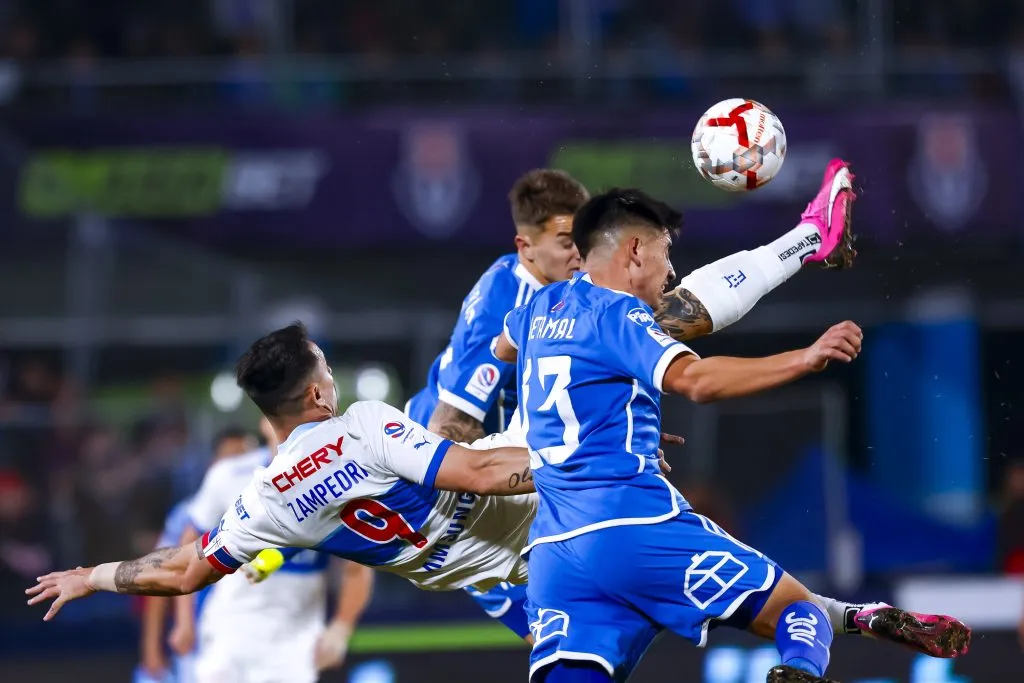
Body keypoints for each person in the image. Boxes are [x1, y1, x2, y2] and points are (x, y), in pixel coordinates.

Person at [30, 322, 967, 673]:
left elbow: (185, 569)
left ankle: (846, 616)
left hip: (504, 590)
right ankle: (839, 619)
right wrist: (595, 456)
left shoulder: (265, 499)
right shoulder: (359, 424)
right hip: (550, 524)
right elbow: (478, 470)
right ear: (317, 392)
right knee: (641, 332)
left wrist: (96, 573)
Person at [492, 174, 968, 683]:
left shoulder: (535, 311)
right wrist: (803, 357)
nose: (671, 271)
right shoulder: (621, 313)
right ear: (633, 250)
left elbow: (504, 351)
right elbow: (694, 380)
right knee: (797, 614)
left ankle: (861, 616)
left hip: (555, 556)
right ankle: (801, 671)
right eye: (664, 251)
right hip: (634, 526)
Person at [405, 161, 855, 637]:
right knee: (580, 630)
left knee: (653, 320)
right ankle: (831, 622)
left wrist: (596, 432)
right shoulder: (502, 299)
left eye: (581, 239)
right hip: (456, 508)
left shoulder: (575, 299)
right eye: (564, 244)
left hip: (539, 479)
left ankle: (808, 237)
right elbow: (448, 427)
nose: (579, 254)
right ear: (525, 248)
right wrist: (578, 456)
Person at [166, 415, 375, 683]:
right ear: (264, 422)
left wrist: (342, 627)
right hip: (230, 627)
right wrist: (184, 620)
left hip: (294, 640)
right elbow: (190, 543)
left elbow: (358, 565)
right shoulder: (229, 474)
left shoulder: (343, 483)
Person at [135, 427, 257, 683]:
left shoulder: (268, 512)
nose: (238, 467)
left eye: (244, 458)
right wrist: (152, 647)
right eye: (230, 458)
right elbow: (159, 578)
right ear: (214, 465)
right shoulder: (188, 516)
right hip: (203, 638)